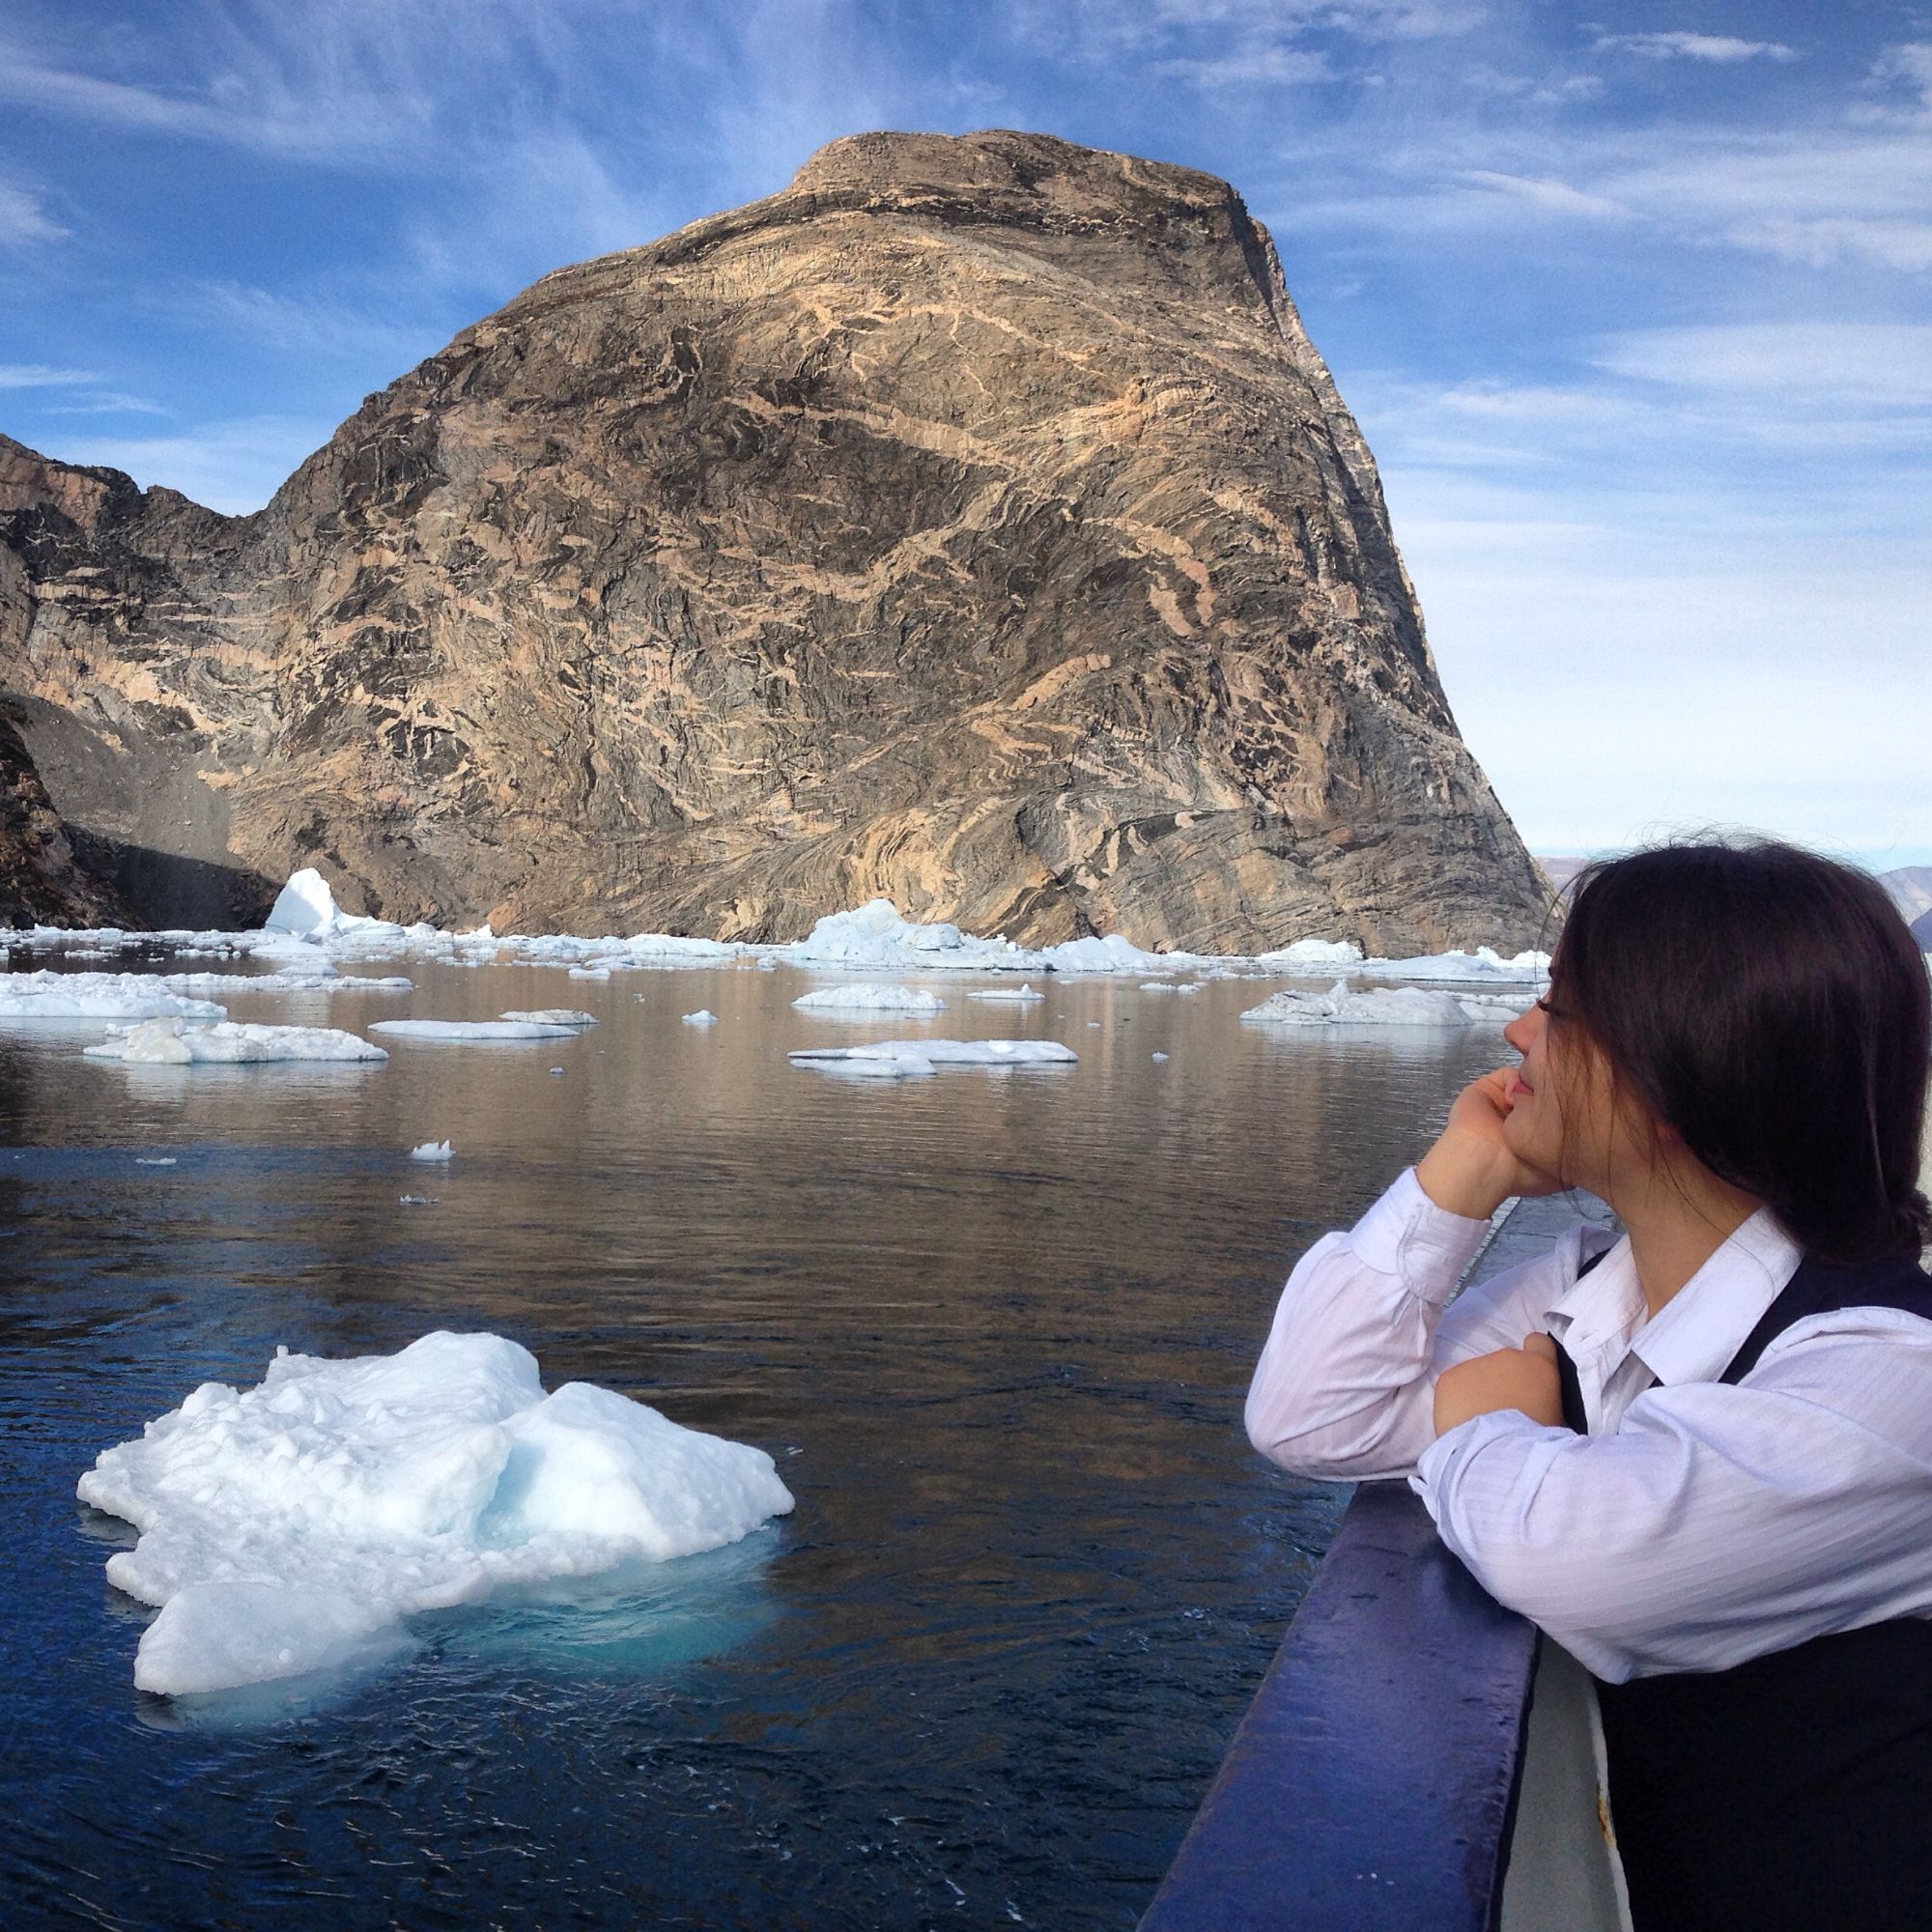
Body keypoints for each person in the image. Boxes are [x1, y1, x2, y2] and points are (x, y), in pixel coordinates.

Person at [1243, 838, 1932, 1932]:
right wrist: (1460, 1178)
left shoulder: (1890, 1372)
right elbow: (1310, 1415)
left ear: (1672, 1069)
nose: (1519, 1031)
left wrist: (1485, 1424)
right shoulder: (1590, 1290)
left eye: (1556, 1005)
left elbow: (1584, 1557)